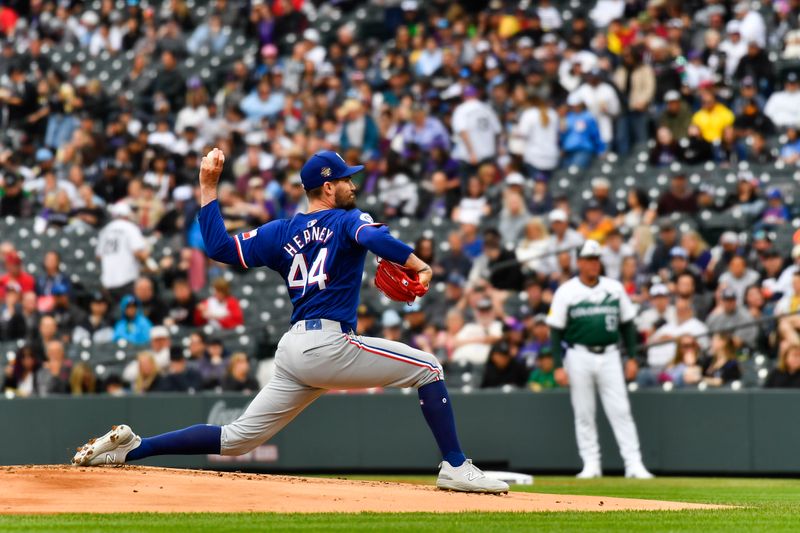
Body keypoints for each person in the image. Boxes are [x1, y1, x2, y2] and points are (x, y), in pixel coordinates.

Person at [73, 148, 508, 493]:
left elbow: (221, 249)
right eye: (345, 179)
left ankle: (133, 448)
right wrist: (417, 263)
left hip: (295, 349)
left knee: (237, 439)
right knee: (429, 367)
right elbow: (373, 236)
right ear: (326, 186)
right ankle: (455, 466)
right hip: (329, 345)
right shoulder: (345, 219)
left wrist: (208, 189)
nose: (351, 184)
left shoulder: (281, 232)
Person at [546, 240, 653, 479]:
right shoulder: (567, 291)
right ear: (580, 262)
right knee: (584, 412)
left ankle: (634, 464)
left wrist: (633, 358)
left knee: (621, 410)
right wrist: (557, 365)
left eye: (596, 259)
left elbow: (627, 325)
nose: (594, 264)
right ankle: (591, 464)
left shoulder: (614, 288)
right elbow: (555, 330)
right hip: (578, 354)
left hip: (610, 354)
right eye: (589, 259)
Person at [96, 202, 151, 303]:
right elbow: (138, 253)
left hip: (108, 281)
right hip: (127, 279)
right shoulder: (130, 227)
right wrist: (148, 252)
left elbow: (99, 256)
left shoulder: (104, 230)